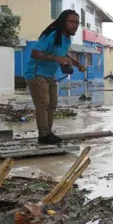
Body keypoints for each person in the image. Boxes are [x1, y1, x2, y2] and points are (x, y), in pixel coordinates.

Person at [24, 10, 86, 145]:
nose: (75, 25)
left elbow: (64, 53)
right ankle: (43, 136)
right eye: (72, 22)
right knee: (43, 104)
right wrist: (55, 58)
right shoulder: (51, 35)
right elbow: (35, 53)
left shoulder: (66, 38)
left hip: (50, 75)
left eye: (77, 23)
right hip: (36, 73)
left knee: (52, 104)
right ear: (64, 22)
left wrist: (77, 64)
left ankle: (48, 134)